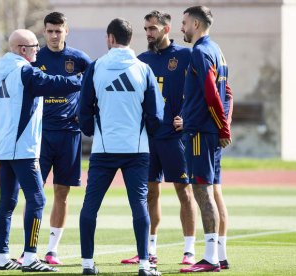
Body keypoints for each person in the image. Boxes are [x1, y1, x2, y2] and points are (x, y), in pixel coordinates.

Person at [0, 29, 81, 273]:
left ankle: (1, 256)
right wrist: (83, 79)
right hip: (23, 148)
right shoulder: (25, 71)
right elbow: (57, 85)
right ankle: (29, 257)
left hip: (3, 147)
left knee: (6, 203)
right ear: (22, 49)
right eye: (35, 45)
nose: (39, 49)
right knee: (37, 199)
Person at [79, 18, 164, 276]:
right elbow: (156, 114)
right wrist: (145, 134)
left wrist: (92, 131)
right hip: (136, 150)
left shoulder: (96, 67)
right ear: (130, 39)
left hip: (104, 150)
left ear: (110, 38)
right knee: (139, 205)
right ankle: (144, 265)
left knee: (90, 206)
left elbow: (83, 108)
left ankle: (87, 264)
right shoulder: (142, 68)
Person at [121, 10, 197, 266]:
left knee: (184, 192)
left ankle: (189, 251)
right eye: (145, 29)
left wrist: (187, 116)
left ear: (167, 28)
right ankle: (149, 250)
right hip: (148, 137)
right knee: (150, 193)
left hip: (175, 137)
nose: (148, 33)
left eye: (152, 28)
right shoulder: (140, 60)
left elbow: (198, 90)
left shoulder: (185, 56)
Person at [17, 12, 92, 266]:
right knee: (33, 194)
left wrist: (86, 113)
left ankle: (52, 249)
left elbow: (93, 86)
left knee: (62, 192)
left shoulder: (79, 59)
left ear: (66, 31)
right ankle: (29, 249)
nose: (53, 35)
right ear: (44, 32)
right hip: (40, 135)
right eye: (49, 31)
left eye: (58, 31)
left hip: (70, 135)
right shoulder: (35, 59)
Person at [177, 6, 233, 273]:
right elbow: (228, 93)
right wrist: (224, 125)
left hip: (200, 131)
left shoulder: (200, 52)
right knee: (210, 190)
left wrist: (222, 128)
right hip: (210, 131)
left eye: (185, 23)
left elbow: (212, 93)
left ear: (196, 24)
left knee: (202, 190)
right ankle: (220, 255)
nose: (182, 28)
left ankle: (210, 258)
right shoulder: (217, 50)